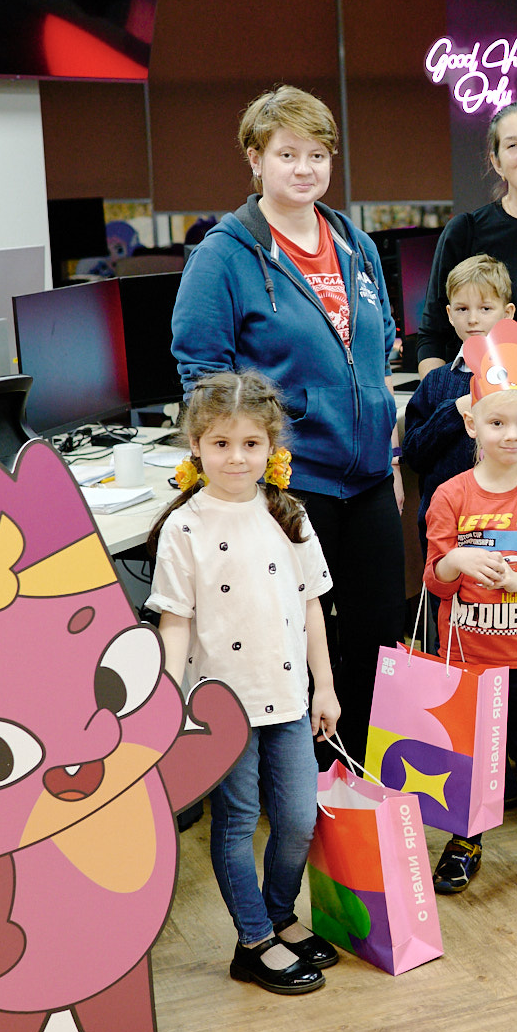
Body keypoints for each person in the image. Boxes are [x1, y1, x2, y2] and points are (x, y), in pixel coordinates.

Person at [171, 84, 402, 764]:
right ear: (256, 158)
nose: (305, 168)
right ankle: (310, 787)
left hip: (368, 478)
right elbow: (202, 373)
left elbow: (380, 348)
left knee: (379, 638)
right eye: (287, 154)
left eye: (317, 155)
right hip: (291, 483)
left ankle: (366, 787)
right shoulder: (225, 254)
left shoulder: (353, 242)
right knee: (300, 644)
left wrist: (388, 455)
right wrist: (242, 472)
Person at [146, 372, 340, 995]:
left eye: (251, 444)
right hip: (221, 706)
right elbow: (175, 622)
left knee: (298, 819)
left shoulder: (289, 514)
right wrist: (166, 703)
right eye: (222, 444)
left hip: (287, 697)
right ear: (196, 446)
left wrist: (325, 687)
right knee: (235, 823)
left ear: (271, 447)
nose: (237, 458)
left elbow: (311, 607)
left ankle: (280, 915)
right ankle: (254, 940)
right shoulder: (184, 528)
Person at [422, 319, 517, 897]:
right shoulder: (451, 495)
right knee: (467, 756)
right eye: (496, 423)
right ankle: (465, 841)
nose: (511, 435)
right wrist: (456, 560)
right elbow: (434, 582)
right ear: (472, 423)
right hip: (467, 659)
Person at [402, 254, 517, 534]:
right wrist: (455, 410)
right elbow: (414, 453)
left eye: (485, 308)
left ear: (507, 313)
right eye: (462, 309)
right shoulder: (436, 382)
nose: (472, 319)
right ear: (449, 314)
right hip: (450, 530)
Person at [412, 100, 517, 374]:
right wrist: (444, 396)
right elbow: (432, 338)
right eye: (513, 145)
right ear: (496, 163)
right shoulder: (466, 232)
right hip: (480, 396)